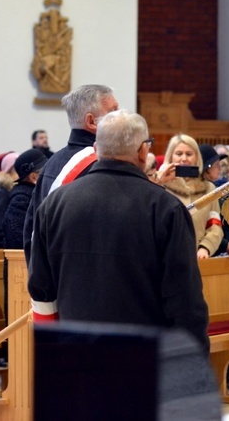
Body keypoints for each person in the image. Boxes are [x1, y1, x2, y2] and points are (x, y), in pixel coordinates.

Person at [27, 110, 209, 353]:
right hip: (143, 358)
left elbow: (41, 289)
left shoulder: (53, 204)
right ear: (143, 151)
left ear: (95, 148)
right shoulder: (165, 208)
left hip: (75, 353)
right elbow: (183, 299)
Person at [23, 84, 119, 262]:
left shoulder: (52, 162)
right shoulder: (100, 165)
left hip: (55, 275)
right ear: (91, 122)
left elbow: (32, 228)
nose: (121, 118)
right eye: (113, 112)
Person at [159, 134, 223, 259]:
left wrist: (206, 248)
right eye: (178, 153)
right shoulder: (158, 185)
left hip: (198, 260)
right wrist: (160, 182)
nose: (184, 159)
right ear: (171, 156)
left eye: (189, 154)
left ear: (196, 158)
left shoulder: (209, 189)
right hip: (165, 259)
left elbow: (215, 225)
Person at [3, 149, 48, 250]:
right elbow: (17, 240)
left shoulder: (37, 195)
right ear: (33, 177)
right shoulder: (20, 201)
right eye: (45, 170)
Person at [0, 152, 19, 248]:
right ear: (9, 170)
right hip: (5, 250)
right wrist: (12, 245)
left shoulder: (19, 191)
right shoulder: (3, 193)